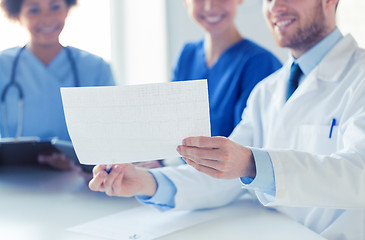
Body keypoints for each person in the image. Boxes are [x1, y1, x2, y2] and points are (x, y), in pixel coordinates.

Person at [89, 0, 365, 239]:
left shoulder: (359, 76)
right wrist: (147, 181)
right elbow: (224, 172)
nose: (275, 8)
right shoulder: (267, 91)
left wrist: (253, 164)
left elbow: (359, 175)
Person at [136, 0, 281, 168]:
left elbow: (245, 151)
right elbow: (170, 128)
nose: (210, 7)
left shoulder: (259, 63)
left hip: (231, 187)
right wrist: (156, 162)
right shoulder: (187, 55)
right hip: (183, 178)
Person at [0, 0, 115, 170]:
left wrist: (78, 161)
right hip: (12, 179)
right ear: (17, 15)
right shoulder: (3, 66)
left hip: (80, 182)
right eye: (34, 10)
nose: (47, 18)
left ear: (67, 9)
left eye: (55, 7)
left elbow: (111, 135)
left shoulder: (96, 67)